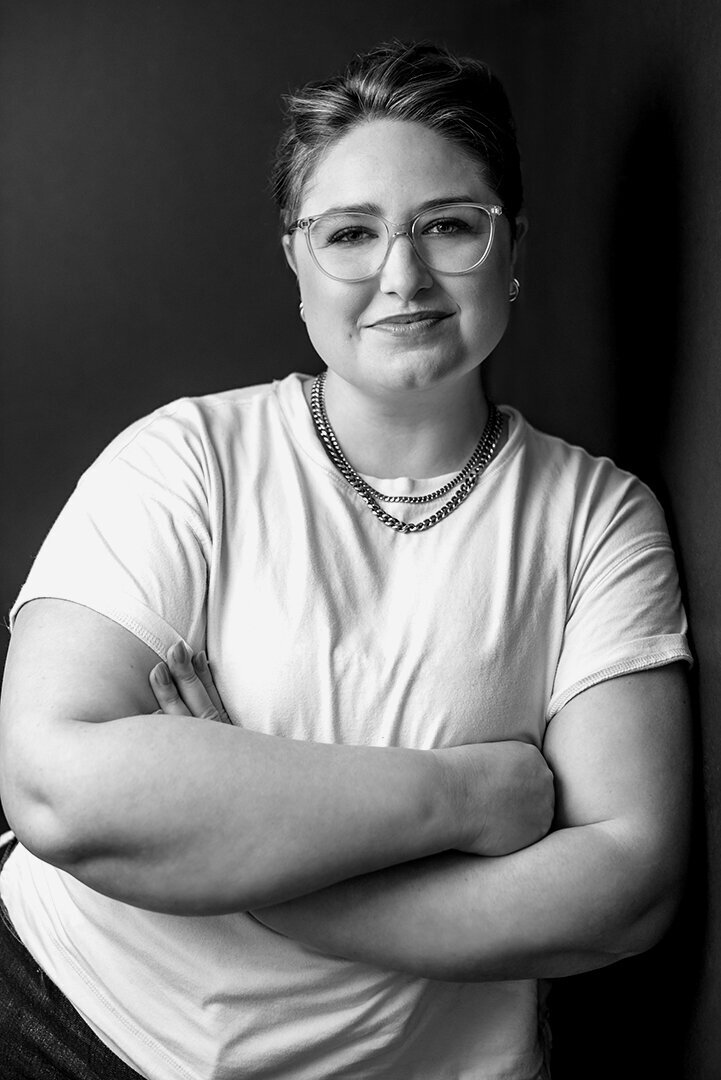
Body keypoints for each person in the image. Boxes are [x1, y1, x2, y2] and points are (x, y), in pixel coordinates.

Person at [0, 39, 692, 1080]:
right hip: (62, 1016)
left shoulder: (598, 519)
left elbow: (625, 885)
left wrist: (260, 865)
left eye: (449, 226)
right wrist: (468, 797)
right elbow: (58, 787)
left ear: (512, 248)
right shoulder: (187, 458)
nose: (401, 275)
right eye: (351, 234)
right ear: (296, 259)